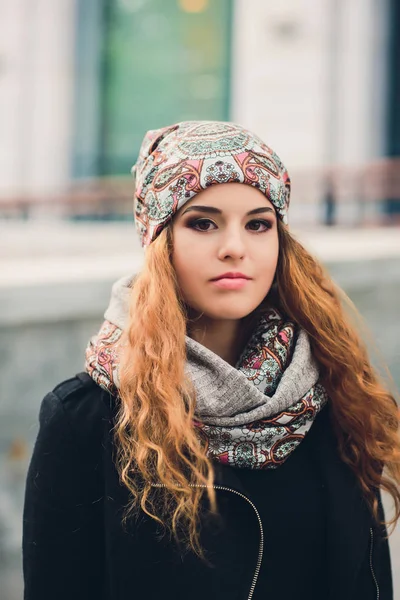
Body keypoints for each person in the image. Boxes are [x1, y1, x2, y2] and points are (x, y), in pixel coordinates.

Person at [23, 121, 400, 600]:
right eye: (203, 223)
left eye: (259, 224)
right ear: (161, 242)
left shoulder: (332, 390)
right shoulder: (86, 416)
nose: (235, 248)